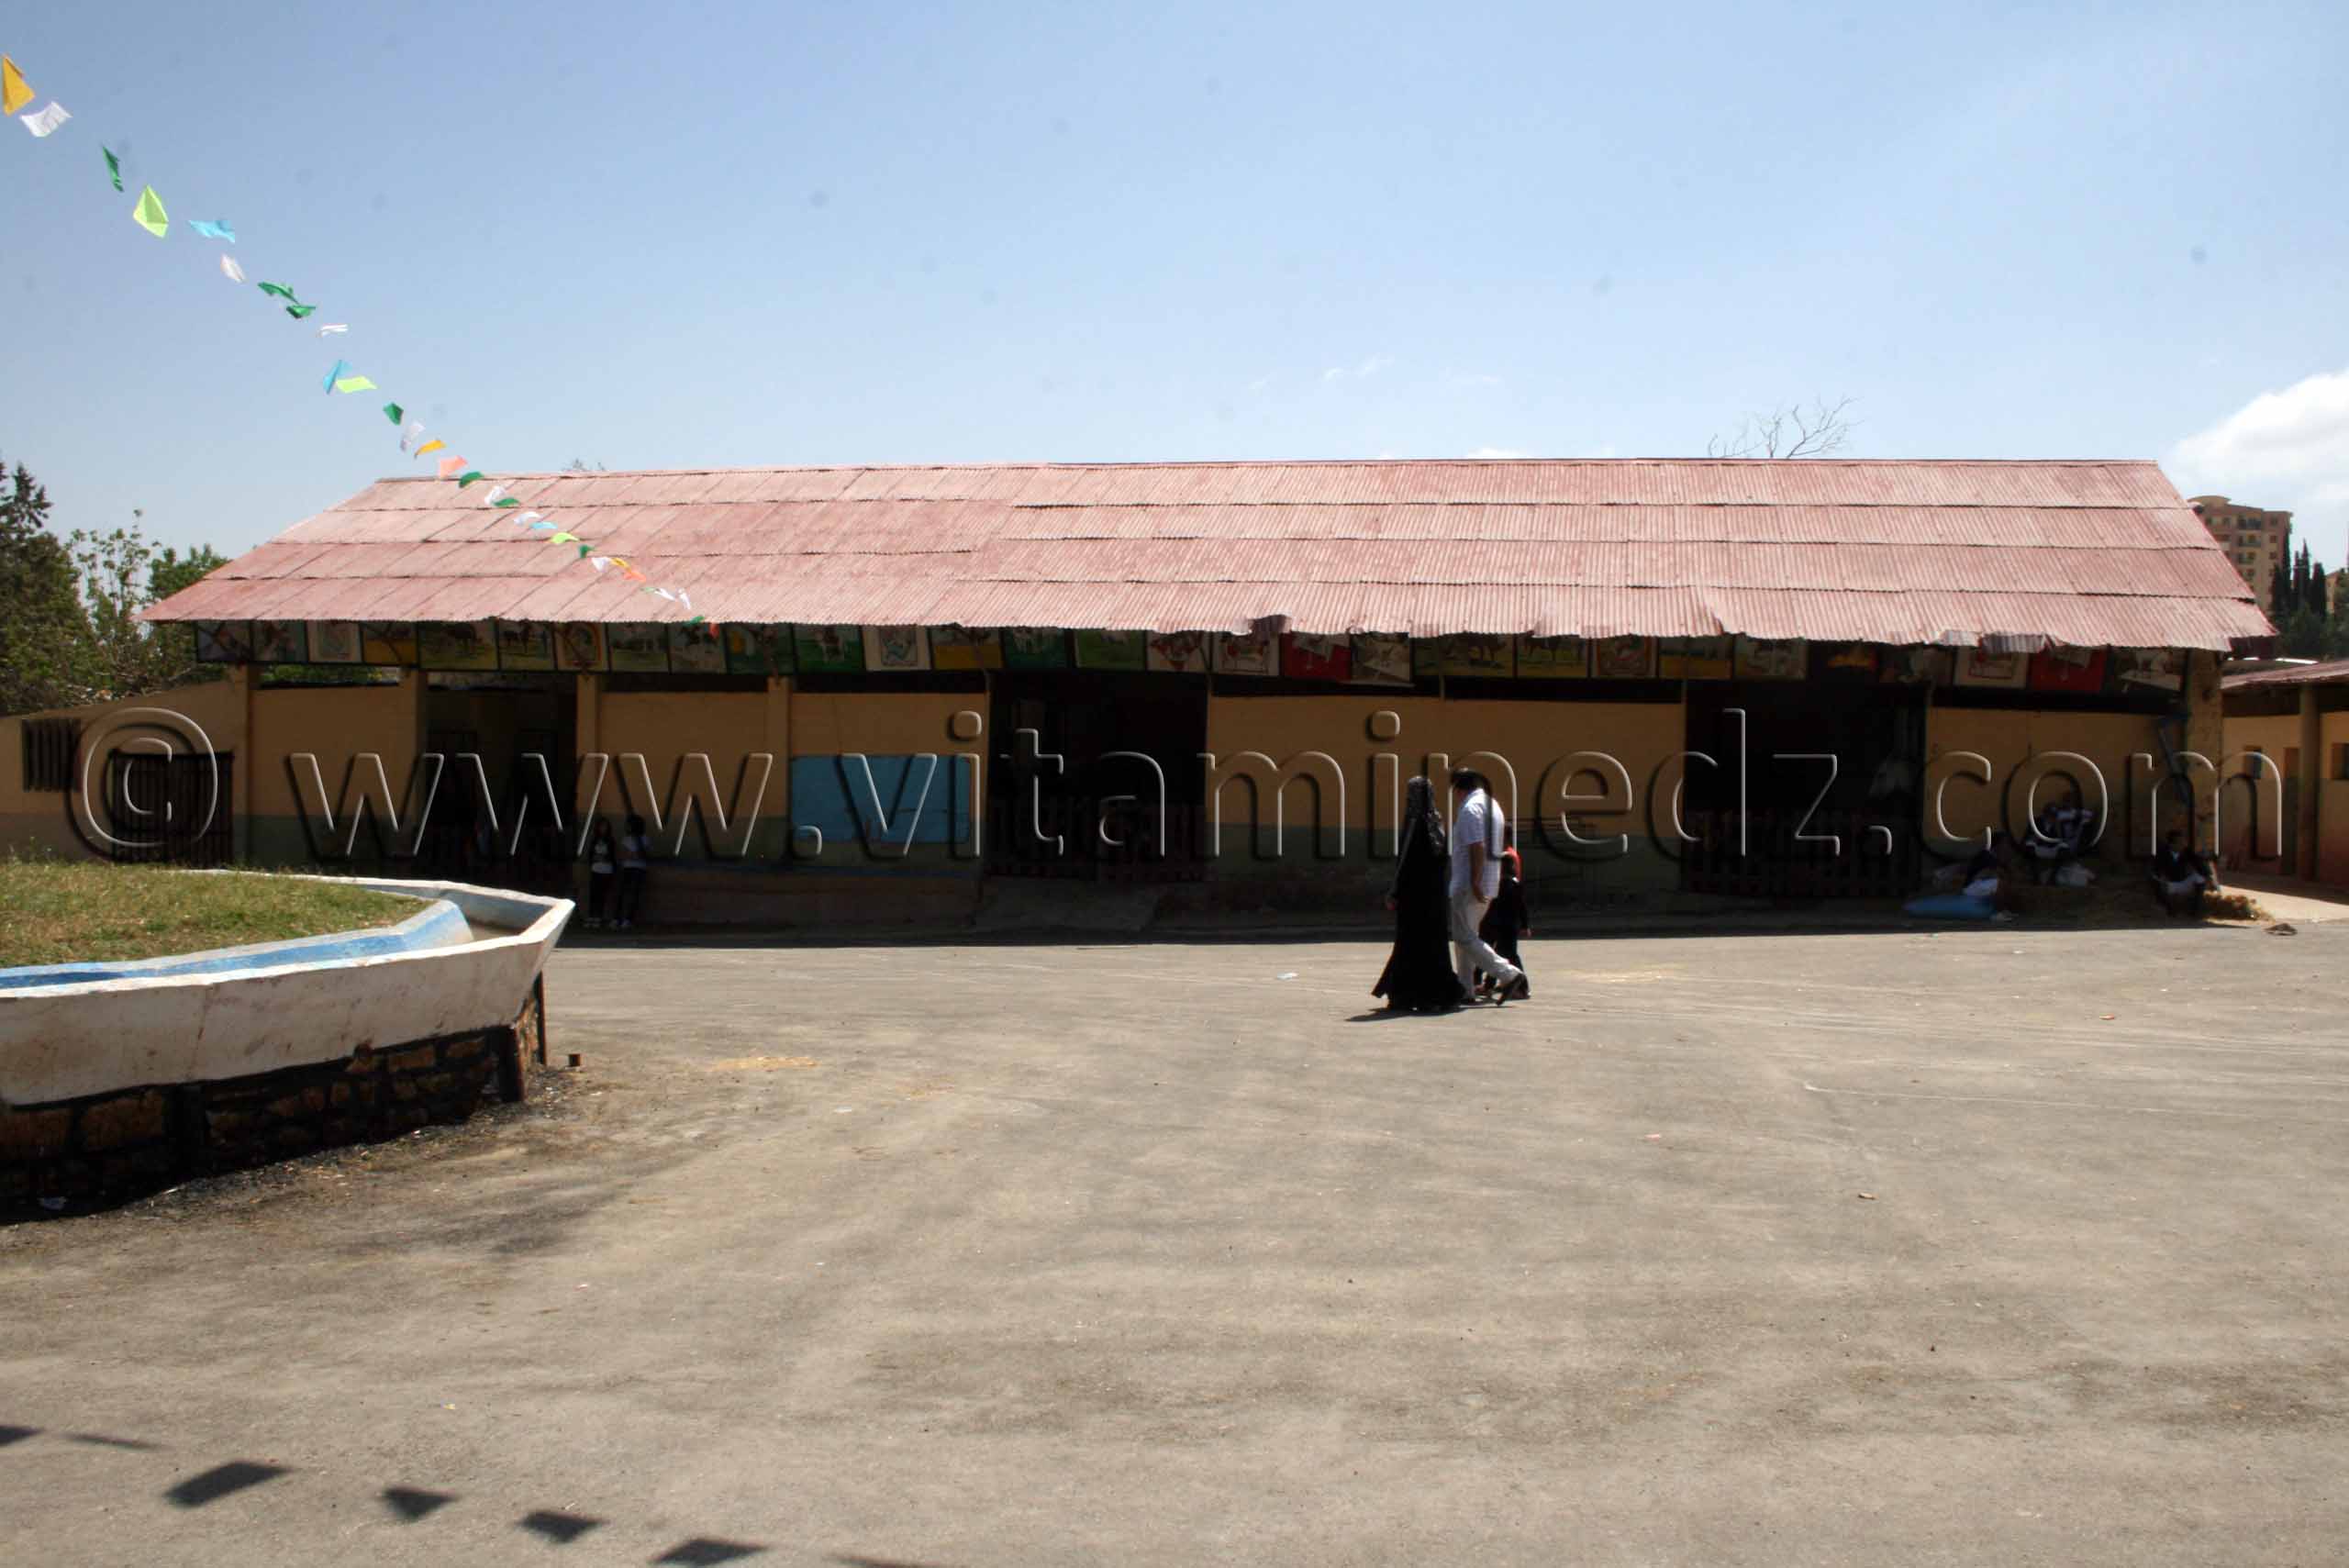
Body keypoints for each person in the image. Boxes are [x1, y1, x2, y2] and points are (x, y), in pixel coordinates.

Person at [1372, 777, 1469, 1012]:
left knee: (1409, 945)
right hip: (1434, 900)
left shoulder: (1414, 822)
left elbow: (1405, 862)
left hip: (1413, 898)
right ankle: (1434, 994)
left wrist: (1393, 892)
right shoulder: (1437, 821)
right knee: (1433, 946)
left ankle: (1405, 995)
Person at [1448, 770, 1530, 1004]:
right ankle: (1466, 989)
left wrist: (1474, 880)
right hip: (1489, 882)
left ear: (1460, 789)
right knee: (1468, 938)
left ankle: (1508, 974)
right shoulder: (1493, 805)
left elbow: (1477, 846)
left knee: (1464, 937)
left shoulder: (1471, 809)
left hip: (1470, 884)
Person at [1475, 821, 1531, 999]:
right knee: (1496, 952)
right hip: (1504, 919)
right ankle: (1488, 984)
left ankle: (1522, 986)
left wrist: (1524, 924)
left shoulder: (1508, 861)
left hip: (1505, 919)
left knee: (1506, 954)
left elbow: (1519, 902)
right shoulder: (1507, 871)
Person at [2153, 829, 2216, 917]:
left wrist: (2209, 877)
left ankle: (2196, 909)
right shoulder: (2162, 853)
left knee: (2199, 877)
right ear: (2172, 845)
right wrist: (2161, 878)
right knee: (2158, 884)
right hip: (2169, 884)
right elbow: (2155, 870)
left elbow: (2198, 864)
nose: (2183, 844)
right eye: (2180, 843)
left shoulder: (2186, 851)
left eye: (2183, 842)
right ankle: (2170, 909)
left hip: (2183, 882)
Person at [613, 813, 650, 929]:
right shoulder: (626, 839)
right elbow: (623, 854)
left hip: (639, 869)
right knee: (621, 893)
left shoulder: (644, 839)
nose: (627, 827)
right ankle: (616, 918)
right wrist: (634, 855)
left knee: (634, 895)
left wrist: (632, 855)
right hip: (627, 868)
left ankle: (628, 919)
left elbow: (644, 855)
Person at [584, 819, 617, 929]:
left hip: (606, 870)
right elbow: (590, 855)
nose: (603, 829)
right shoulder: (594, 840)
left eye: (605, 826)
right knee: (593, 893)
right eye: (601, 826)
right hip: (595, 869)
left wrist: (604, 858)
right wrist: (595, 858)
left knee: (602, 894)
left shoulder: (611, 841)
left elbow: (612, 856)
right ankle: (591, 916)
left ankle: (599, 917)